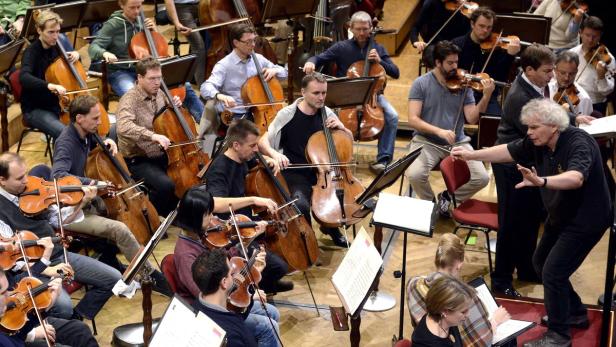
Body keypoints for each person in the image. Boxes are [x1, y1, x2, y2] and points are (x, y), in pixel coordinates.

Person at [452, 98, 611, 347]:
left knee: (553, 272)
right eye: (528, 127)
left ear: (553, 126)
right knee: (539, 262)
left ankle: (559, 336)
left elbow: (576, 177)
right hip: (560, 215)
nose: (529, 132)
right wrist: (472, 155)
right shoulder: (537, 142)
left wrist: (542, 182)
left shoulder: (579, 142)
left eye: (534, 127)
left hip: (585, 220)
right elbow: (507, 150)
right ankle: (574, 312)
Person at [50, 94, 172, 296]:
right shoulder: (66, 142)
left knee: (117, 211)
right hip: (70, 210)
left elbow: (92, 156)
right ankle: (148, 275)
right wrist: (93, 183)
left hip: (88, 199)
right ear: (79, 118)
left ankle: (110, 259)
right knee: (121, 229)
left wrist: (106, 141)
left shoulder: (87, 133)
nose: (100, 122)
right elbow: (58, 176)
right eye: (95, 118)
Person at [0, 152, 123, 322]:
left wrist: (83, 202)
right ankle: (62, 326)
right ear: (2, 180)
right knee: (64, 306)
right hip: (32, 268)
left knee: (114, 279)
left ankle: (77, 317)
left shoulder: (33, 190)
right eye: (20, 178)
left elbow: (60, 220)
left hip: (57, 254)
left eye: (26, 174)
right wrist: (48, 269)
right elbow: (11, 259)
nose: (27, 181)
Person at [175, 187, 282, 347]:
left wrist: (248, 252)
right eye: (208, 214)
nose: (214, 218)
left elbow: (229, 258)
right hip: (212, 314)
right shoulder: (186, 255)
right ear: (194, 218)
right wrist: (249, 293)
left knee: (273, 312)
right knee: (268, 326)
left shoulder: (202, 236)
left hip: (226, 293)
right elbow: (208, 293)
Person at [258, 73, 354, 248]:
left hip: (324, 172)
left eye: (324, 93)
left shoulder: (328, 113)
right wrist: (274, 154)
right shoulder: (286, 114)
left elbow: (348, 142)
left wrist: (343, 128)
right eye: (316, 93)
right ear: (303, 92)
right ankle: (309, 240)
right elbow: (263, 141)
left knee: (342, 200)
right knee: (301, 205)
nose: (321, 97)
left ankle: (331, 228)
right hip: (295, 173)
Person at [492, 44, 555, 296]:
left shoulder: (537, 86)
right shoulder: (521, 96)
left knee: (529, 219)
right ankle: (501, 279)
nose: (551, 76)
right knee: (510, 223)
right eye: (547, 71)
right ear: (529, 70)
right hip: (510, 165)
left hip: (526, 163)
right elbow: (537, 132)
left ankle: (527, 268)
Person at [303, 11, 399, 173]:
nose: (362, 33)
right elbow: (319, 58)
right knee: (323, 115)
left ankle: (383, 159)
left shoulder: (378, 48)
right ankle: (332, 156)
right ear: (351, 28)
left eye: (365, 29)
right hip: (346, 96)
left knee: (392, 116)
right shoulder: (342, 48)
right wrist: (310, 62)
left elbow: (395, 73)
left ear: (370, 28)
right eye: (358, 29)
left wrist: (380, 61)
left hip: (372, 97)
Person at [404, 40, 492, 217]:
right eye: (450, 63)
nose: (455, 66)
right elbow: (413, 119)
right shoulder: (421, 84)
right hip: (426, 141)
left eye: (456, 62)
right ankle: (432, 206)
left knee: (482, 177)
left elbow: (472, 118)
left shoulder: (464, 85)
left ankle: (447, 198)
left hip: (457, 142)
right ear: (438, 62)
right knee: (414, 174)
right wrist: (439, 131)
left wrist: (486, 97)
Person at [203, 119, 292, 293]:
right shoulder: (219, 169)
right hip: (233, 232)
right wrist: (252, 200)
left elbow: (257, 162)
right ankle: (254, 286)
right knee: (278, 267)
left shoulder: (244, 158)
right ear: (236, 145)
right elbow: (215, 204)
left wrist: (268, 160)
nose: (256, 150)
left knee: (282, 263)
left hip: (249, 223)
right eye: (252, 146)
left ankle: (262, 281)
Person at [88, 0, 203, 123]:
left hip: (145, 70)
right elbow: (93, 48)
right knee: (134, 95)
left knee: (183, 85)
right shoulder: (113, 25)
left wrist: (154, 31)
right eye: (132, 8)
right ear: (121, 5)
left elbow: (158, 47)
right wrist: (105, 53)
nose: (137, 11)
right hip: (120, 71)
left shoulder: (142, 21)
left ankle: (206, 124)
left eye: (139, 7)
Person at [407, 234, 511, 347]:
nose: (467, 314)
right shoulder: (461, 300)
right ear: (459, 265)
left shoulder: (414, 284)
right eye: (463, 311)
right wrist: (495, 321)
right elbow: (483, 340)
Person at [116, 56, 185, 217]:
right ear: (139, 78)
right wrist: (152, 136)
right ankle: (152, 216)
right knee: (166, 185)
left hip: (163, 154)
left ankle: (172, 212)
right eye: (152, 78)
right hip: (139, 158)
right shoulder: (129, 99)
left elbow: (164, 118)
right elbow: (123, 127)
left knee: (184, 179)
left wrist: (173, 106)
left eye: (159, 78)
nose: (157, 82)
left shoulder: (159, 93)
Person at [199, 23, 287, 137]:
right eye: (248, 42)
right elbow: (205, 87)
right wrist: (221, 96)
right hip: (237, 113)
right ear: (236, 43)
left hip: (260, 110)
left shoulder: (258, 59)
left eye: (254, 40)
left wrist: (275, 70)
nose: (253, 45)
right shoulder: (224, 65)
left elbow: (285, 73)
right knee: (250, 138)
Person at [18, 10, 79, 140]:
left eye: (58, 31)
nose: (56, 36)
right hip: (35, 108)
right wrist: (50, 85)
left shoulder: (57, 47)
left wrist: (76, 55)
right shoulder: (31, 52)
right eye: (51, 32)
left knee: (86, 124)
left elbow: (76, 68)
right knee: (66, 134)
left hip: (58, 105)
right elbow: (24, 78)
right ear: (39, 31)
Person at [0, 269, 100, 347]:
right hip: (17, 336)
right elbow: (15, 339)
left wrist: (49, 302)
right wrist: (32, 334)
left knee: (79, 329)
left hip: (18, 322)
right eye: (4, 292)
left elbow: (16, 327)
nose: (10, 297)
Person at [451, 7, 520, 115]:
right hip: (459, 92)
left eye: (489, 27)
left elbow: (501, 77)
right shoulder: (457, 44)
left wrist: (510, 56)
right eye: (481, 26)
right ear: (472, 24)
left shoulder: (497, 49)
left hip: (486, 94)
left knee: (494, 121)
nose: (485, 31)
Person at [411, 275, 476, 347]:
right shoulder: (425, 343)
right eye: (463, 311)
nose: (468, 315)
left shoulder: (447, 320)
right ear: (445, 311)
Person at [569, 16, 615, 115]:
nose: (590, 40)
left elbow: (606, 92)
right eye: (587, 35)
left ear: (600, 36)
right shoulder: (572, 53)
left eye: (595, 36)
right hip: (572, 99)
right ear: (580, 32)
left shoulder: (607, 58)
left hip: (595, 104)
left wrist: (601, 76)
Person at [163, 0, 208, 85]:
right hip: (181, 8)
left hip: (203, 4)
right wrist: (176, 22)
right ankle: (203, 89)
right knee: (198, 46)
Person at [548, 50, 594, 123]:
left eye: (571, 74)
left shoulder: (583, 98)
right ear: (555, 70)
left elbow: (581, 129)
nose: (566, 78)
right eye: (562, 73)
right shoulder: (546, 88)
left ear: (576, 72)